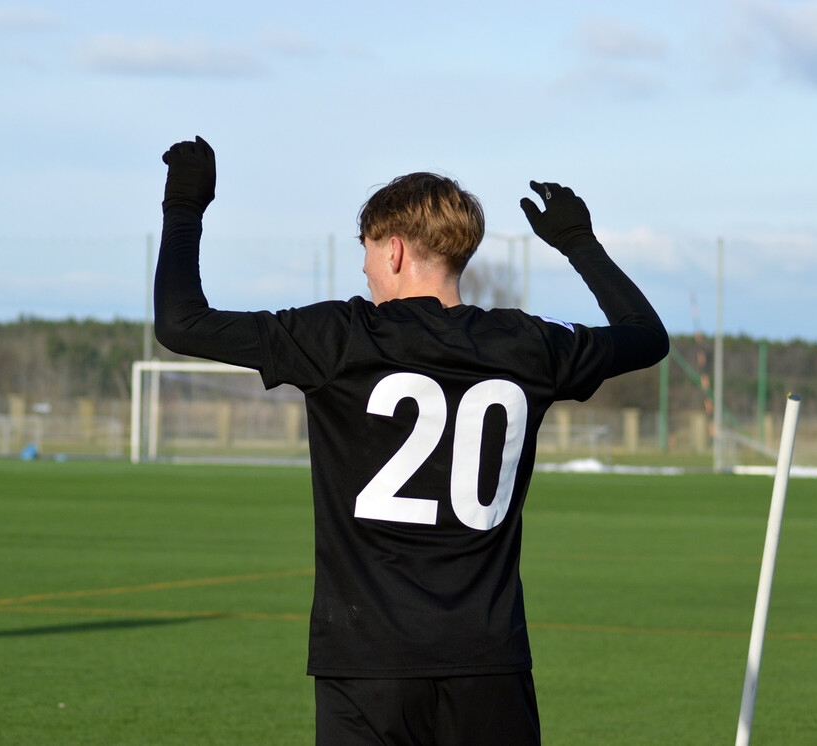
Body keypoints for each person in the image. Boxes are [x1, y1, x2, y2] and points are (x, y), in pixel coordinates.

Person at [154, 136, 669, 746]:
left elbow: (180, 322)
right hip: (489, 663)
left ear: (393, 250)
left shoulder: (340, 338)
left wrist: (184, 206)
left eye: (368, 250)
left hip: (369, 663)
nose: (366, 267)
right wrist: (578, 243)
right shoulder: (529, 345)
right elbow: (645, 335)